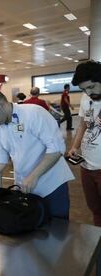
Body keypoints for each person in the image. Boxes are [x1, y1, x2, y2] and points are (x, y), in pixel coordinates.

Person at [0, 89, 74, 219]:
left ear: (1, 104)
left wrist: (34, 176)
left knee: (58, 229)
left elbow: (56, 149)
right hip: (26, 188)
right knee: (33, 230)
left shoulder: (33, 113)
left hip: (52, 185)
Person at [68, 60, 101, 226]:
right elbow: (83, 124)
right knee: (95, 208)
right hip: (87, 165)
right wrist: (75, 146)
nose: (88, 92)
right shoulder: (85, 98)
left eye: (92, 87)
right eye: (84, 89)